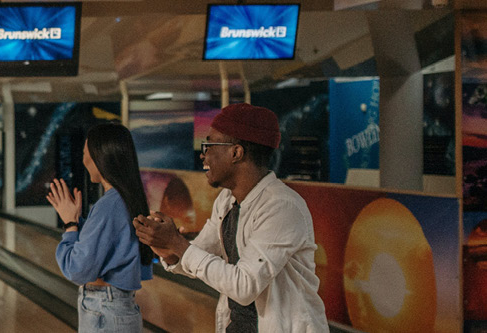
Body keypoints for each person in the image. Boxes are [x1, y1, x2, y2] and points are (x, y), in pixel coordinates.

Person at [132, 103, 327, 332]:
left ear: (236, 153)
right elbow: (199, 257)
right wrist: (168, 251)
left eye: (210, 145)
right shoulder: (227, 201)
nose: (203, 155)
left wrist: (177, 243)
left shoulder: (282, 207)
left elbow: (244, 286)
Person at [47, 123, 154, 332]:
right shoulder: (129, 198)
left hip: (104, 308)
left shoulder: (109, 205)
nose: (83, 160)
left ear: (100, 157)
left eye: (86, 153)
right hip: (120, 306)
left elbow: (78, 270)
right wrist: (79, 221)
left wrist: (70, 225)